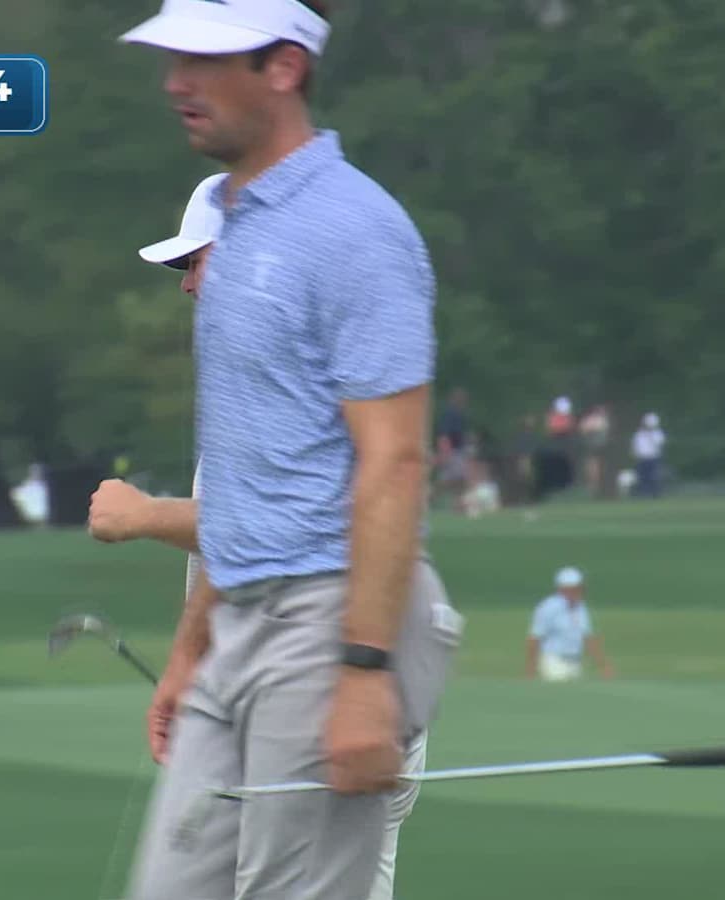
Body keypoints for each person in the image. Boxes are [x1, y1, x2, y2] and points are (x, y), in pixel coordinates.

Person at [118, 4, 465, 899]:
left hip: (327, 624)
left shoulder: (355, 229)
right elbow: (250, 483)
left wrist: (363, 673)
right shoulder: (239, 233)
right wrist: (193, 654)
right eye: (172, 59)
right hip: (240, 627)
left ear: (283, 69)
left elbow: (393, 465)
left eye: (203, 60)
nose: (175, 83)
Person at [88, 171, 430, 900]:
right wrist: (190, 665)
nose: (185, 286)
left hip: (320, 702)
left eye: (196, 262)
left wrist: (144, 514)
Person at [525, 567, 614, 682]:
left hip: (575, 662)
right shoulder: (548, 608)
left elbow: (588, 637)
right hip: (554, 661)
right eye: (574, 589)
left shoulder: (580, 607)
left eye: (579, 588)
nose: (579, 592)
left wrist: (603, 665)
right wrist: (530, 668)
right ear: (562, 589)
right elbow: (535, 638)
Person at [630, 412, 666, 498]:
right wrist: (635, 453)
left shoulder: (658, 433)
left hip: (653, 458)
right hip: (642, 458)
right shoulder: (639, 433)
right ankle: (643, 493)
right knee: (642, 477)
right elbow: (635, 445)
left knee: (653, 477)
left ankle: (655, 494)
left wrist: (650, 436)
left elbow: (659, 444)